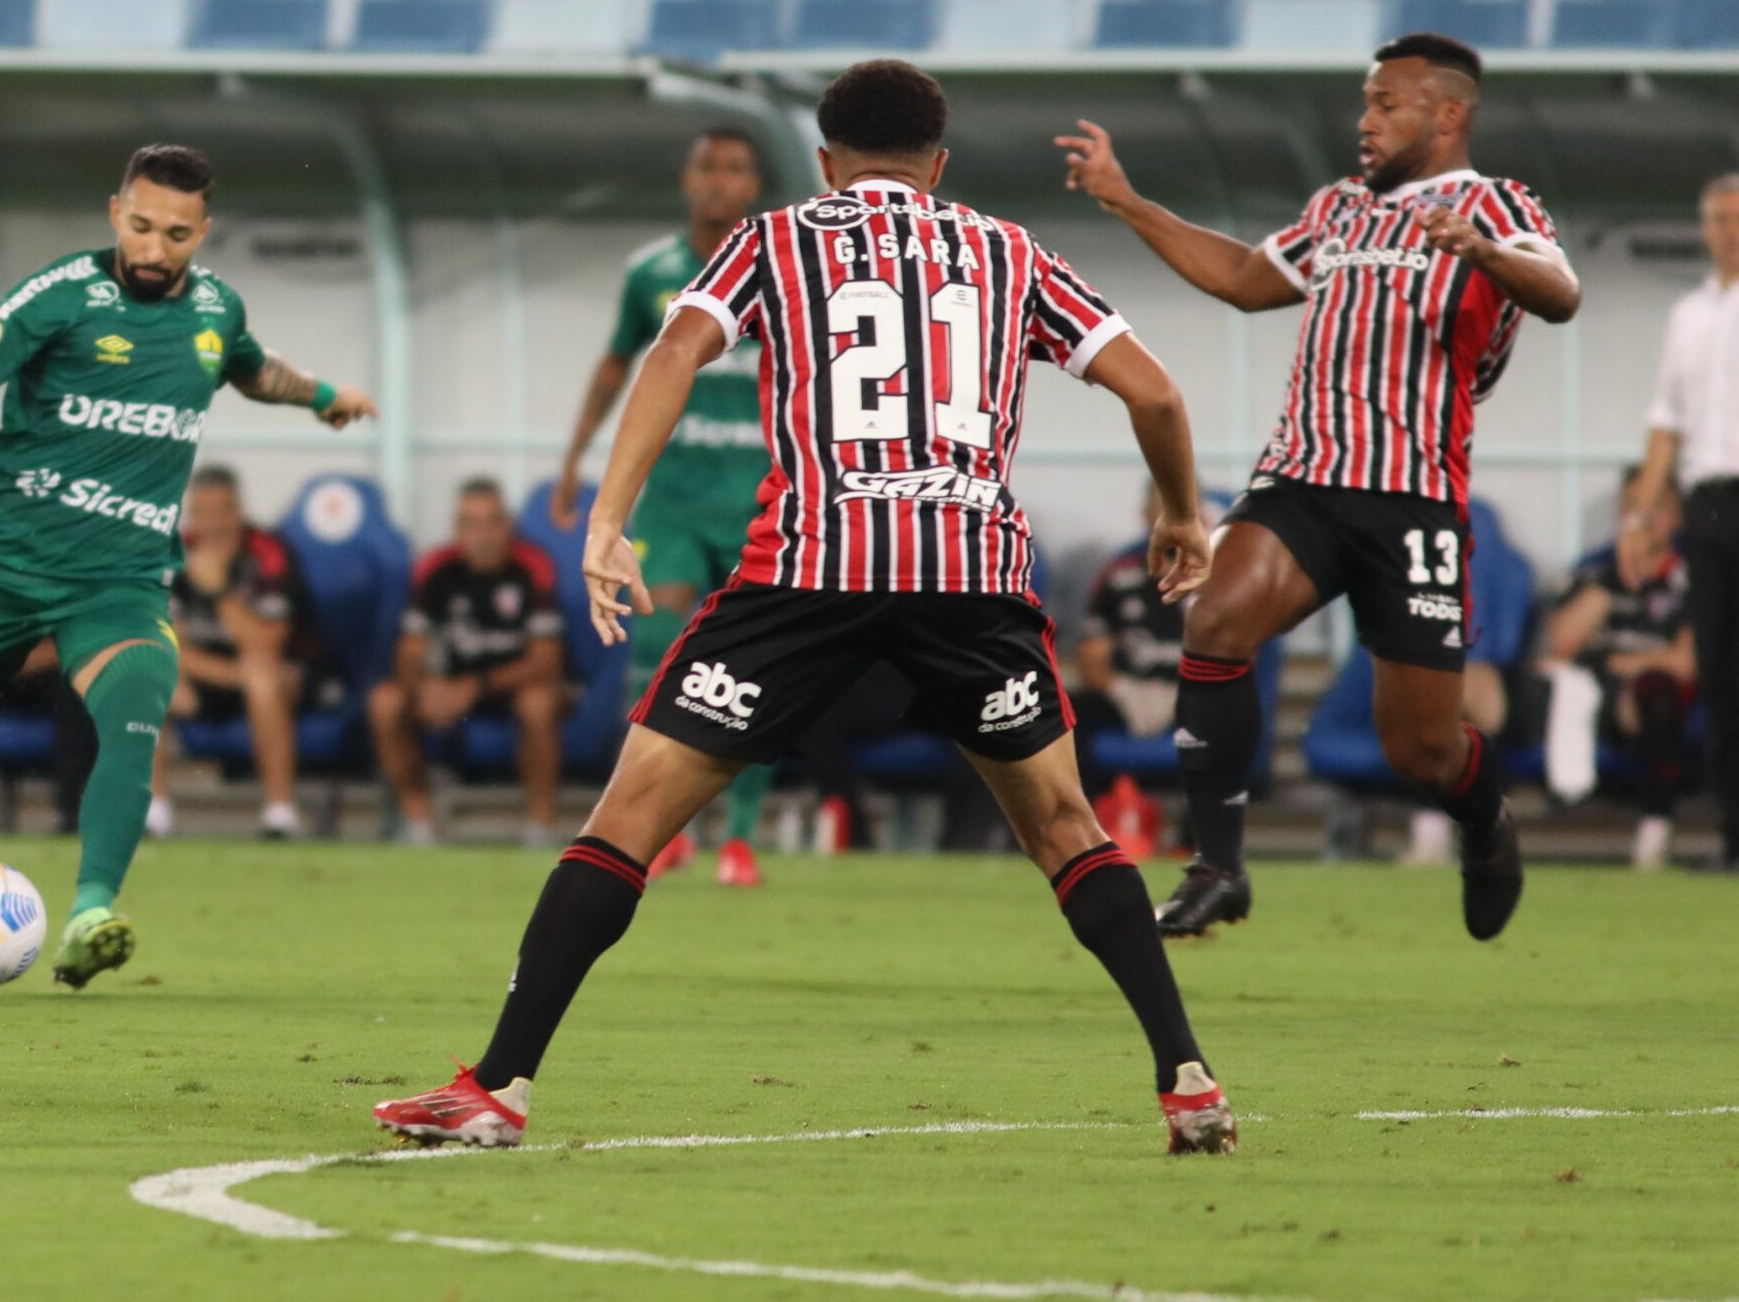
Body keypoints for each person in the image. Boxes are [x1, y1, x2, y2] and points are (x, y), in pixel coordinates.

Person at [375, 60, 1236, 1156]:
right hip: (968, 576)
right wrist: (1178, 513)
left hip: (808, 571)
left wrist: (608, 517)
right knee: (1066, 827)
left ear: (823, 160)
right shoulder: (1011, 250)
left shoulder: (776, 238)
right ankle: (1187, 1077)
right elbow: (1155, 390)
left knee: (627, 818)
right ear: (942, 161)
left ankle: (496, 1086)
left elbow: (675, 349)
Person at [1060, 33, 1578, 940]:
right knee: (1216, 621)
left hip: (1414, 497)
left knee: (1419, 748)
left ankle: (1484, 820)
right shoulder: (1339, 208)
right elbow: (1245, 279)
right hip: (1304, 476)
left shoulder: (1496, 204)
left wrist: (1482, 251)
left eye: (1386, 104)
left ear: (1448, 114)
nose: (1364, 122)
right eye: (1366, 103)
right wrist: (1126, 200)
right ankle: (1219, 865)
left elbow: (1561, 292)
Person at [0, 145, 376, 988]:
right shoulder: (62, 295)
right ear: (114, 213)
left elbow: (252, 369)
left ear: (202, 232)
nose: (154, 249)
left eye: (175, 233)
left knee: (138, 702)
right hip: (6, 569)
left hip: (120, 579)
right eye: (140, 226)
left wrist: (321, 395)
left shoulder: (216, 311)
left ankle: (91, 911)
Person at [553, 129, 775, 886]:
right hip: (674, 501)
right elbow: (619, 363)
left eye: (734, 168)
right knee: (662, 661)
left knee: (753, 672)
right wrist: (574, 457)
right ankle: (661, 830)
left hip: (759, 499)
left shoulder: (777, 267)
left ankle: (740, 840)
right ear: (687, 179)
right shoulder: (651, 273)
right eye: (707, 166)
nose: (718, 180)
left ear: (752, 185)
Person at [1628, 172, 1739, 870]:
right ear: (1703, 228)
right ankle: (1733, 838)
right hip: (1711, 500)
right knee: (1722, 674)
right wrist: (1641, 513)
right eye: (1718, 218)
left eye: (1737, 217)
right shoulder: (1688, 315)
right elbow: (1665, 425)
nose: (1727, 229)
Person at [370, 480, 568, 846]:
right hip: (447, 686)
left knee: (538, 703)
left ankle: (541, 828)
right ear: (457, 529)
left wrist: (475, 687)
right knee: (385, 702)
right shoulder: (435, 568)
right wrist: (425, 687)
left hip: (510, 685)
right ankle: (419, 824)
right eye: (471, 524)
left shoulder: (533, 567)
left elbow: (546, 661)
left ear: (508, 525)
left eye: (492, 522)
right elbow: (410, 651)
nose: (484, 535)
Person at [151, 464, 320, 842]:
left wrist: (218, 591)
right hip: (206, 679)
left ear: (238, 511)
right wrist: (230, 674)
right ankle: (154, 814)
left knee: (262, 676)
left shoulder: (269, 552)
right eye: (201, 513)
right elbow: (163, 641)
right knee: (144, 672)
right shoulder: (172, 553)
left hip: (279, 682)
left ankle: (280, 812)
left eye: (221, 512)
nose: (211, 524)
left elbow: (267, 644)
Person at [1539, 479, 1694, 868]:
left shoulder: (1692, 578)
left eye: (1656, 507)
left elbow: (1689, 661)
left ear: (1677, 516)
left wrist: (1635, 664)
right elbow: (1561, 643)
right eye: (1634, 508)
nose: (1644, 519)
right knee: (1504, 685)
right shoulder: (1594, 572)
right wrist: (1618, 577)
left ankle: (1654, 834)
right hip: (1585, 688)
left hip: (1652, 693)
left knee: (1656, 692)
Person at [1074, 482, 1186, 744]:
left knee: (1228, 708)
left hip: (1194, 694)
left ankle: (1228, 786)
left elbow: (1242, 654)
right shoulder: (1117, 577)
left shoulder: (1217, 580)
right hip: (1129, 690)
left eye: (1183, 508)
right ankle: (1081, 786)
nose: (1173, 516)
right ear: (1146, 512)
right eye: (1164, 507)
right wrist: (1122, 690)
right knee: (1068, 711)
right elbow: (1092, 657)